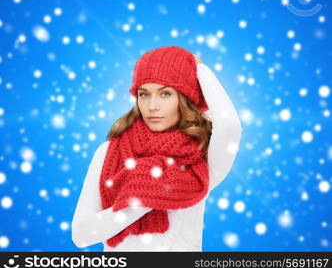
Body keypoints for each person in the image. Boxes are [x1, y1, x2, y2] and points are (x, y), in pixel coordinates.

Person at [71, 46, 243, 251]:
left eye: (165, 94)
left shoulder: (200, 155)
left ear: (185, 99)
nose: (152, 105)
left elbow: (230, 126)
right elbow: (81, 235)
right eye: (144, 94)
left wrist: (201, 71)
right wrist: (143, 198)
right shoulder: (108, 152)